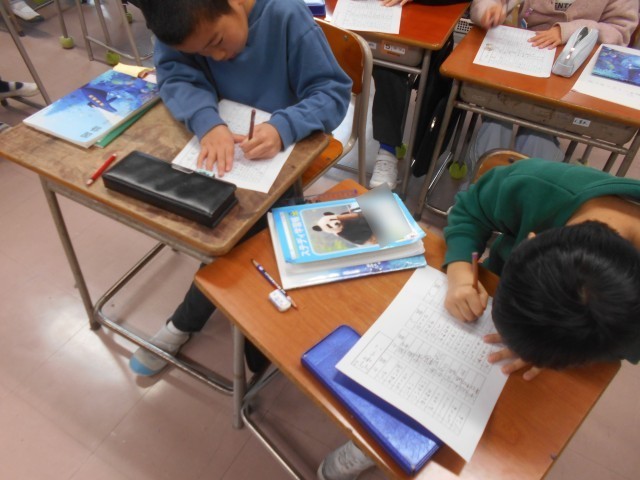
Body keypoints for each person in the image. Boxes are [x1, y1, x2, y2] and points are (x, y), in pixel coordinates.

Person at [129, 0, 351, 376]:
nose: (218, 57)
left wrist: (284, 126)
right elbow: (175, 75)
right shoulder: (180, 21)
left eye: (217, 42)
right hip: (219, 153)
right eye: (202, 53)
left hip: (280, 163)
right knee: (209, 222)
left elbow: (332, 93)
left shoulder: (285, 16)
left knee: (247, 234)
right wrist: (207, 121)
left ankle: (184, 322)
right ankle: (247, 326)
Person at [443, 159, 640, 380]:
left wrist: (550, 348)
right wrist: (460, 271)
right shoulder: (535, 185)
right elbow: (472, 209)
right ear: (529, 241)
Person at [466, 0, 639, 165]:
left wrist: (570, 31)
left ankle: (531, 176)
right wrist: (488, 10)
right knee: (496, 122)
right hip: (519, 60)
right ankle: (483, 178)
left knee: (539, 135)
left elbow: (619, 32)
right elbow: (486, 4)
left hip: (572, 73)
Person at [368, 0, 464, 189]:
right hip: (385, 18)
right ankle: (387, 152)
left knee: (394, 67)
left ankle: (389, 153)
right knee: (387, 65)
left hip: (431, 20)